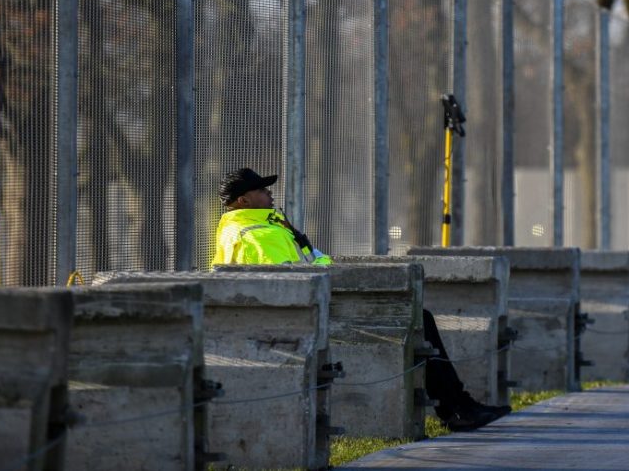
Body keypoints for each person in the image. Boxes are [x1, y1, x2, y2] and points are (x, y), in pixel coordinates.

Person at [212, 166, 511, 432]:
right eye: (262, 190)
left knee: (422, 318)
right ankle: (458, 408)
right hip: (299, 320)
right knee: (419, 318)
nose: (270, 193)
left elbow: (308, 264)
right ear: (244, 201)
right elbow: (293, 280)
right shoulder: (257, 234)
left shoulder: (264, 226)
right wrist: (326, 269)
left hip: (308, 309)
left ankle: (459, 406)